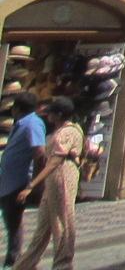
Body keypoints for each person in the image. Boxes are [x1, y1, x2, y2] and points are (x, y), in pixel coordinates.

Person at [11, 97, 81, 270]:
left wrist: (31, 185)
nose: (48, 115)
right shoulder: (59, 131)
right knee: (43, 228)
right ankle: (24, 265)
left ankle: (63, 265)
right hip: (53, 181)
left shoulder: (68, 132)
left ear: (59, 114)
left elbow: (54, 162)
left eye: (51, 112)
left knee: (63, 223)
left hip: (63, 177)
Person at [1, 91, 44, 268]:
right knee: (10, 220)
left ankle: (15, 261)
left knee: (14, 222)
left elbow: (40, 153)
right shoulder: (22, 124)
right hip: (8, 181)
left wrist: (33, 185)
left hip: (18, 182)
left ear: (17, 109)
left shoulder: (32, 124)